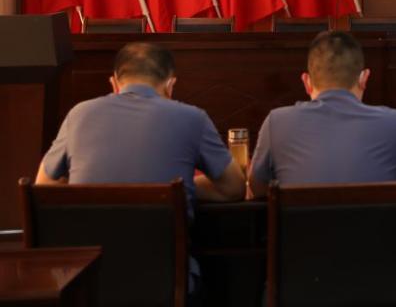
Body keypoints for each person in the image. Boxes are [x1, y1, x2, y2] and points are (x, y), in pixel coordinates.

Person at [36, 42, 246, 210]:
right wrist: (181, 189)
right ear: (170, 85)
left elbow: (44, 187)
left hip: (90, 250)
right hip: (164, 251)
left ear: (114, 83)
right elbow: (234, 188)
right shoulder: (194, 118)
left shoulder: (78, 114)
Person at [248, 30, 396, 197]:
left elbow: (257, 189)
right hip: (379, 236)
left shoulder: (275, 123)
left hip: (301, 236)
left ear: (307, 82)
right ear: (364, 79)